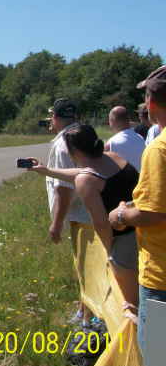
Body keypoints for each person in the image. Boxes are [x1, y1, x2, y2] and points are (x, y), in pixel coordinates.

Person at [29, 124, 139, 309]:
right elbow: (83, 173)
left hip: (124, 243)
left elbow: (101, 224)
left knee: (131, 305)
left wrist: (110, 253)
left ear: (73, 151)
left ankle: (138, 337)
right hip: (144, 228)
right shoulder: (113, 158)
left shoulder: (86, 181)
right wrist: (47, 171)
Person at [108, 65, 166, 355]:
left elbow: (153, 215)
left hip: (161, 276)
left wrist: (120, 215)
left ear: (152, 103)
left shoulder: (159, 149)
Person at [44, 98, 94, 324]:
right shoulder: (81, 135)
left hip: (80, 216)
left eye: (51, 116)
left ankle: (88, 319)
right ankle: (85, 310)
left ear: (55, 117)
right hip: (91, 211)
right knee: (88, 266)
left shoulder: (63, 143)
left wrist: (56, 224)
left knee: (85, 267)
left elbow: (64, 189)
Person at [105, 106, 145, 171]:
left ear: (112, 121)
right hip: (140, 180)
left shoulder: (111, 143)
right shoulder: (141, 139)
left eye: (109, 120)